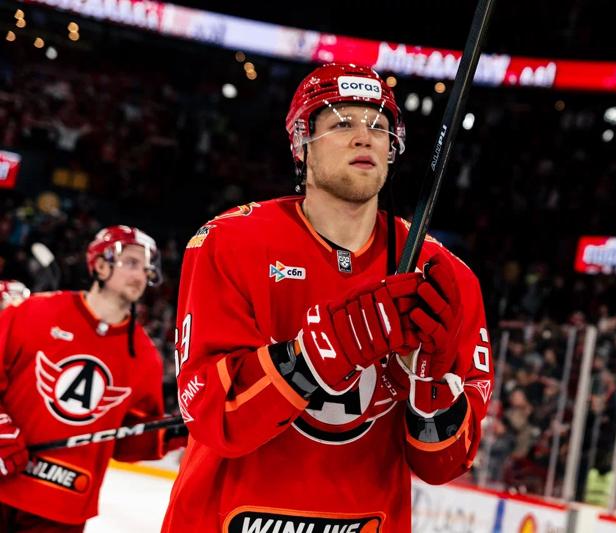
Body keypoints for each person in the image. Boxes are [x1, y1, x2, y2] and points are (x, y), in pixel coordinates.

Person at [162, 63, 494, 532]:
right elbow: (212, 415)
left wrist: (429, 387)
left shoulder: (443, 276)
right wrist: (318, 354)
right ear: (302, 144)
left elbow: (444, 465)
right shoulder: (231, 242)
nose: (364, 137)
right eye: (342, 124)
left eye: (378, 126)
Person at [0, 225, 179, 532]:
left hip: (62, 509)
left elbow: (128, 441)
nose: (140, 274)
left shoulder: (145, 357)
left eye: (146, 267)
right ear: (100, 265)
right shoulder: (34, 312)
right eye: (131, 262)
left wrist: (177, 431)